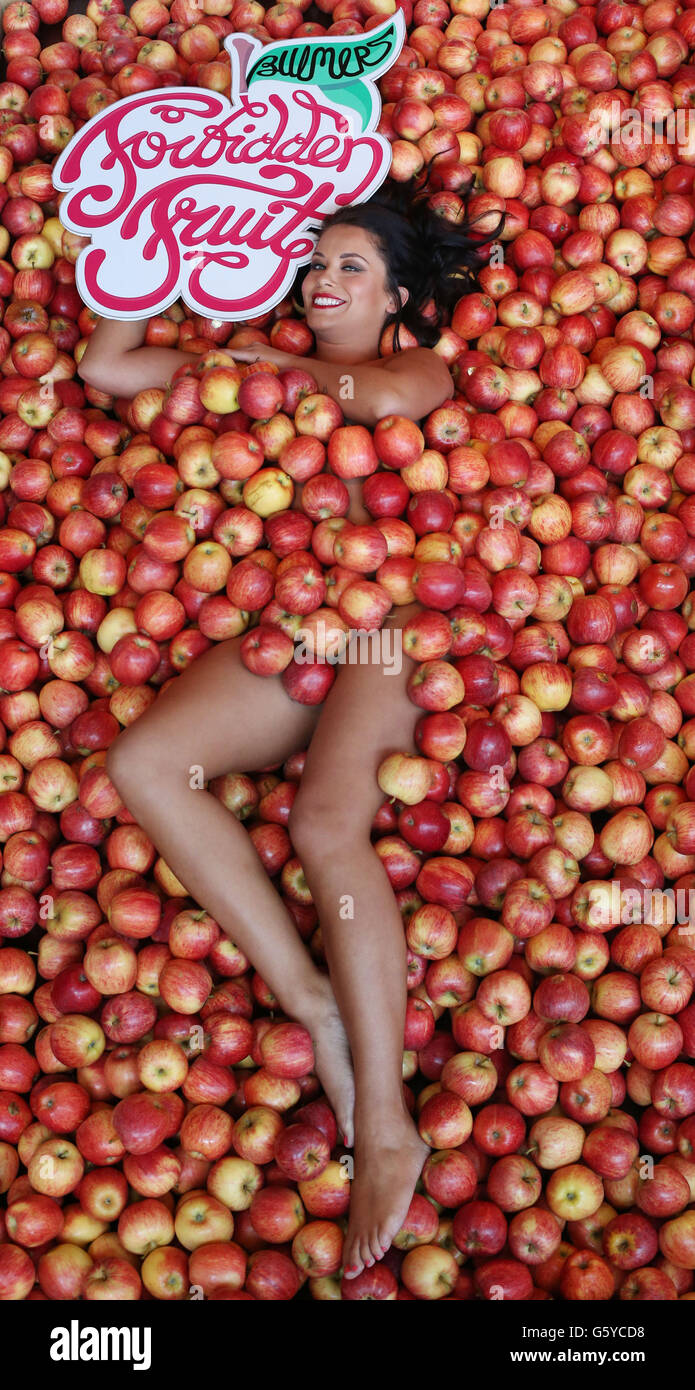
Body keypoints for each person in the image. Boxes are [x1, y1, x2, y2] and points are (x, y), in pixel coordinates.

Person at [78, 177, 493, 1280]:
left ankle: (390, 1122)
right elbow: (109, 368)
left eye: (349, 265)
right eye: (315, 264)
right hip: (297, 632)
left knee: (322, 825)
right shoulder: (262, 373)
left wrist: (251, 374)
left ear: (401, 294)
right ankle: (312, 998)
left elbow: (385, 409)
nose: (322, 281)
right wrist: (139, 240)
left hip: (400, 619)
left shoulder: (409, 369)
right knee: (144, 759)